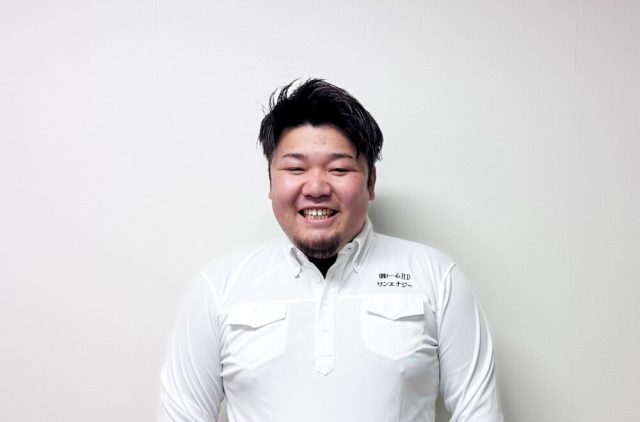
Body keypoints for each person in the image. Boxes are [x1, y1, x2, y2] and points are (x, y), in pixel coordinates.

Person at [159, 79, 503, 422]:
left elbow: (479, 414)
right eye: (296, 168)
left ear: (370, 182)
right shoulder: (219, 286)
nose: (316, 188)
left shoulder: (436, 276)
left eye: (339, 169)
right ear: (271, 181)